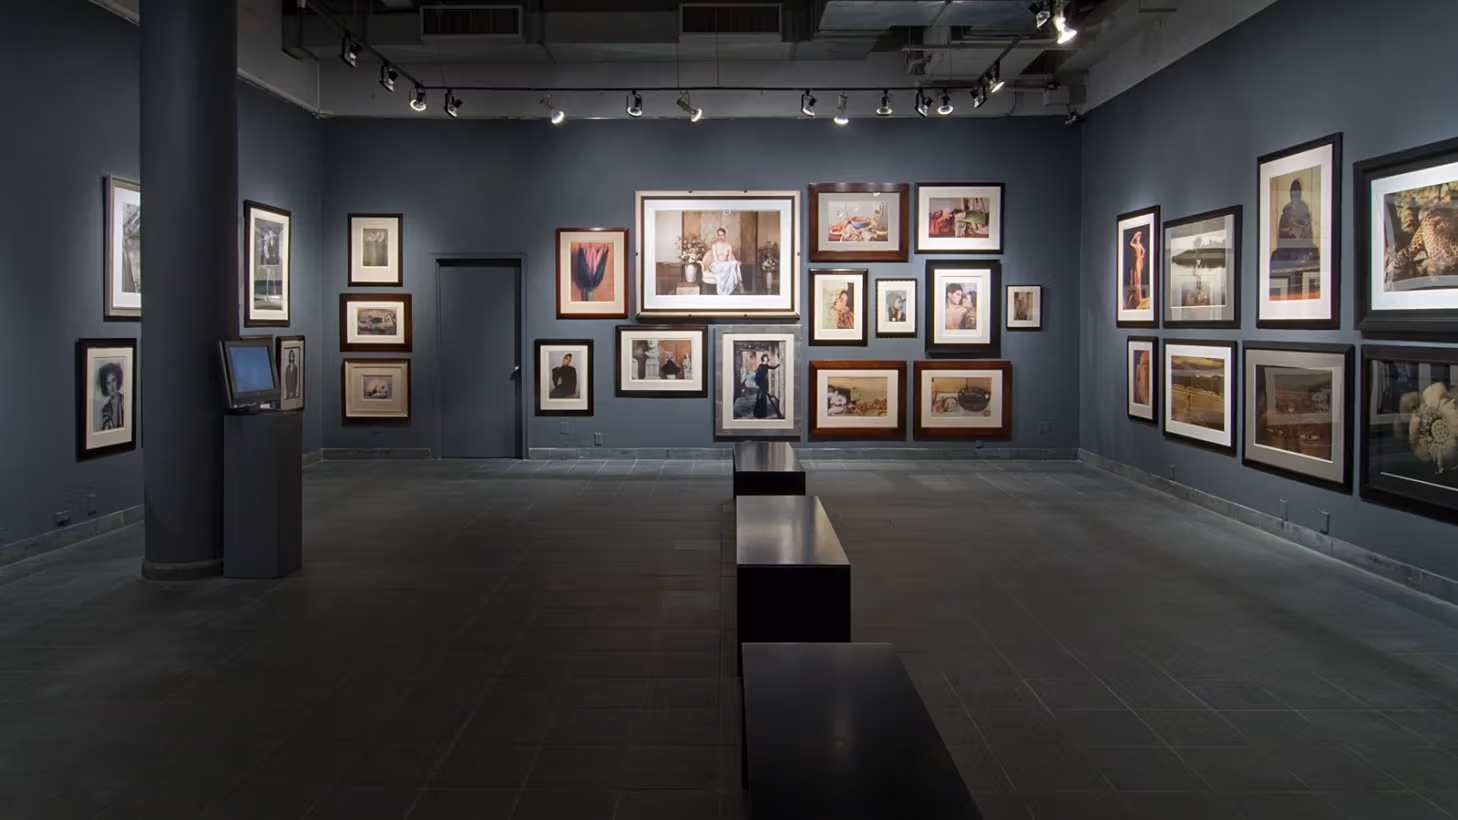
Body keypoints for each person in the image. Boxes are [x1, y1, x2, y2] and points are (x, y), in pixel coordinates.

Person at [706, 228, 742, 295]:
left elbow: (729, 259)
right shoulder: (714, 245)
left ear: (725, 235)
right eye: (719, 235)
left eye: (722, 235)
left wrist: (730, 264)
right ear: (717, 236)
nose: (720, 237)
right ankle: (739, 283)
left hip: (725, 266)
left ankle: (738, 283)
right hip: (716, 266)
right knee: (734, 264)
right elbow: (715, 259)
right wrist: (733, 263)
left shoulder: (728, 246)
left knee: (732, 265)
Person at [96, 362, 125, 430]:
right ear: (105, 386)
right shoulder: (105, 410)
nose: (112, 386)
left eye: (113, 380)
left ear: (118, 379)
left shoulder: (125, 400)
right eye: (108, 383)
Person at [753, 353, 779, 419]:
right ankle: (758, 414)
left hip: (764, 384)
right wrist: (758, 384)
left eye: (767, 358)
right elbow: (757, 376)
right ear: (763, 359)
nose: (767, 359)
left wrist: (778, 365)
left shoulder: (766, 366)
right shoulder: (760, 366)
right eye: (766, 358)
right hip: (761, 384)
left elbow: (773, 367)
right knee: (760, 398)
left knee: (763, 398)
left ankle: (763, 414)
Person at [1127, 229, 1147, 309]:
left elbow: (1144, 251)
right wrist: (1133, 237)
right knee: (1138, 278)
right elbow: (1130, 243)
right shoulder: (1135, 245)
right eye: (1137, 237)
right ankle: (1138, 297)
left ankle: (1140, 297)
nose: (1138, 238)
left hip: (1140, 260)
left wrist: (1142, 255)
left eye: (1139, 237)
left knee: (1139, 278)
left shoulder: (1140, 245)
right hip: (1137, 261)